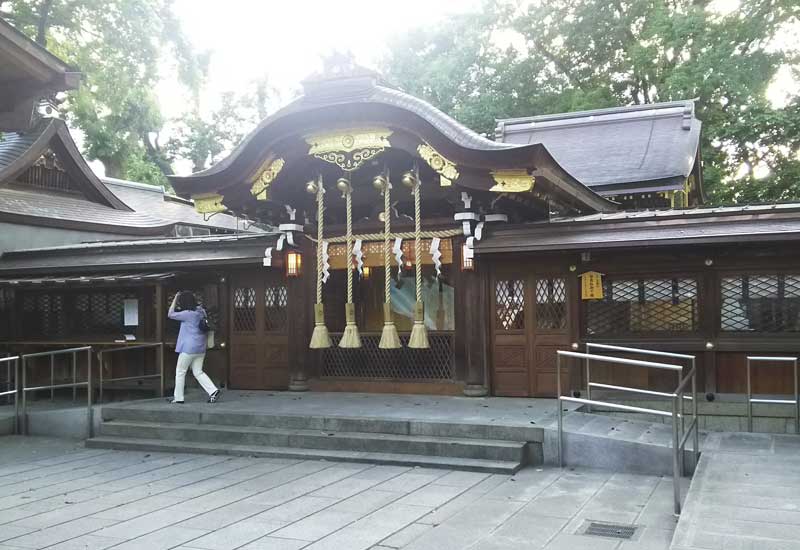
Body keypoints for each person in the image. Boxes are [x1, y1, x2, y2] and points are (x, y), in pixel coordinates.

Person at [168, 291, 220, 404]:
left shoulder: (187, 314)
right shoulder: (201, 312)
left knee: (180, 372)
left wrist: (175, 298)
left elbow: (170, 314)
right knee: (198, 372)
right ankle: (213, 391)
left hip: (188, 348)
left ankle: (178, 398)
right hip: (200, 347)